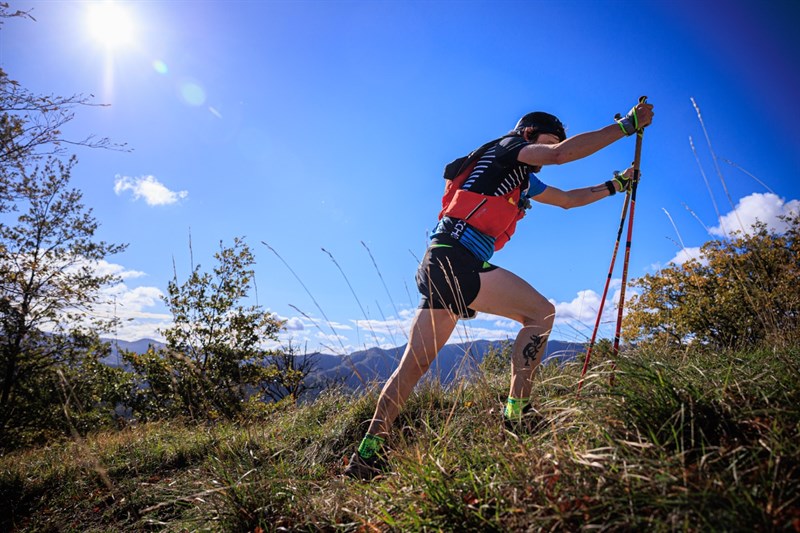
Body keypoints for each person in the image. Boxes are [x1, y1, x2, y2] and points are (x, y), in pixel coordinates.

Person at [344, 100, 654, 480]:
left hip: (438, 261)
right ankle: (516, 415)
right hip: (457, 259)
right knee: (541, 313)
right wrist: (626, 126)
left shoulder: (521, 178)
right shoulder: (508, 148)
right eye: (547, 140)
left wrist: (615, 186)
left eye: (552, 143)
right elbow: (560, 155)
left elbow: (568, 201)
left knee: (413, 367)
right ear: (528, 134)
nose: (547, 151)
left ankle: (366, 456)